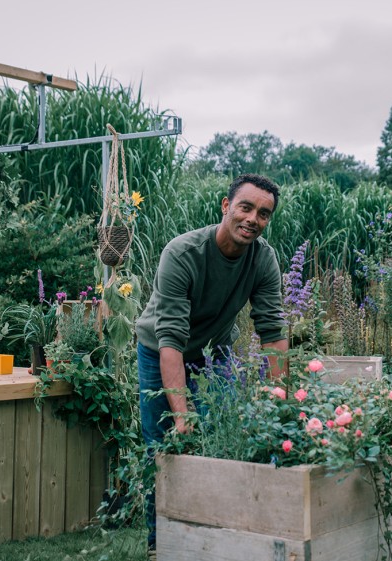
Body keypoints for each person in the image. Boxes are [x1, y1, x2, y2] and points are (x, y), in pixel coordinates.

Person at [134, 173, 289, 550]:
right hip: (160, 350)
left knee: (223, 434)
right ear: (226, 206)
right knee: (165, 442)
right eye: (246, 207)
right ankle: (163, 543)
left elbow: (272, 330)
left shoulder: (263, 259)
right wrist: (182, 415)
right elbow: (170, 337)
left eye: (264, 214)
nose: (253, 219)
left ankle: (216, 536)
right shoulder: (182, 252)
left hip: (215, 350)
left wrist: (281, 398)